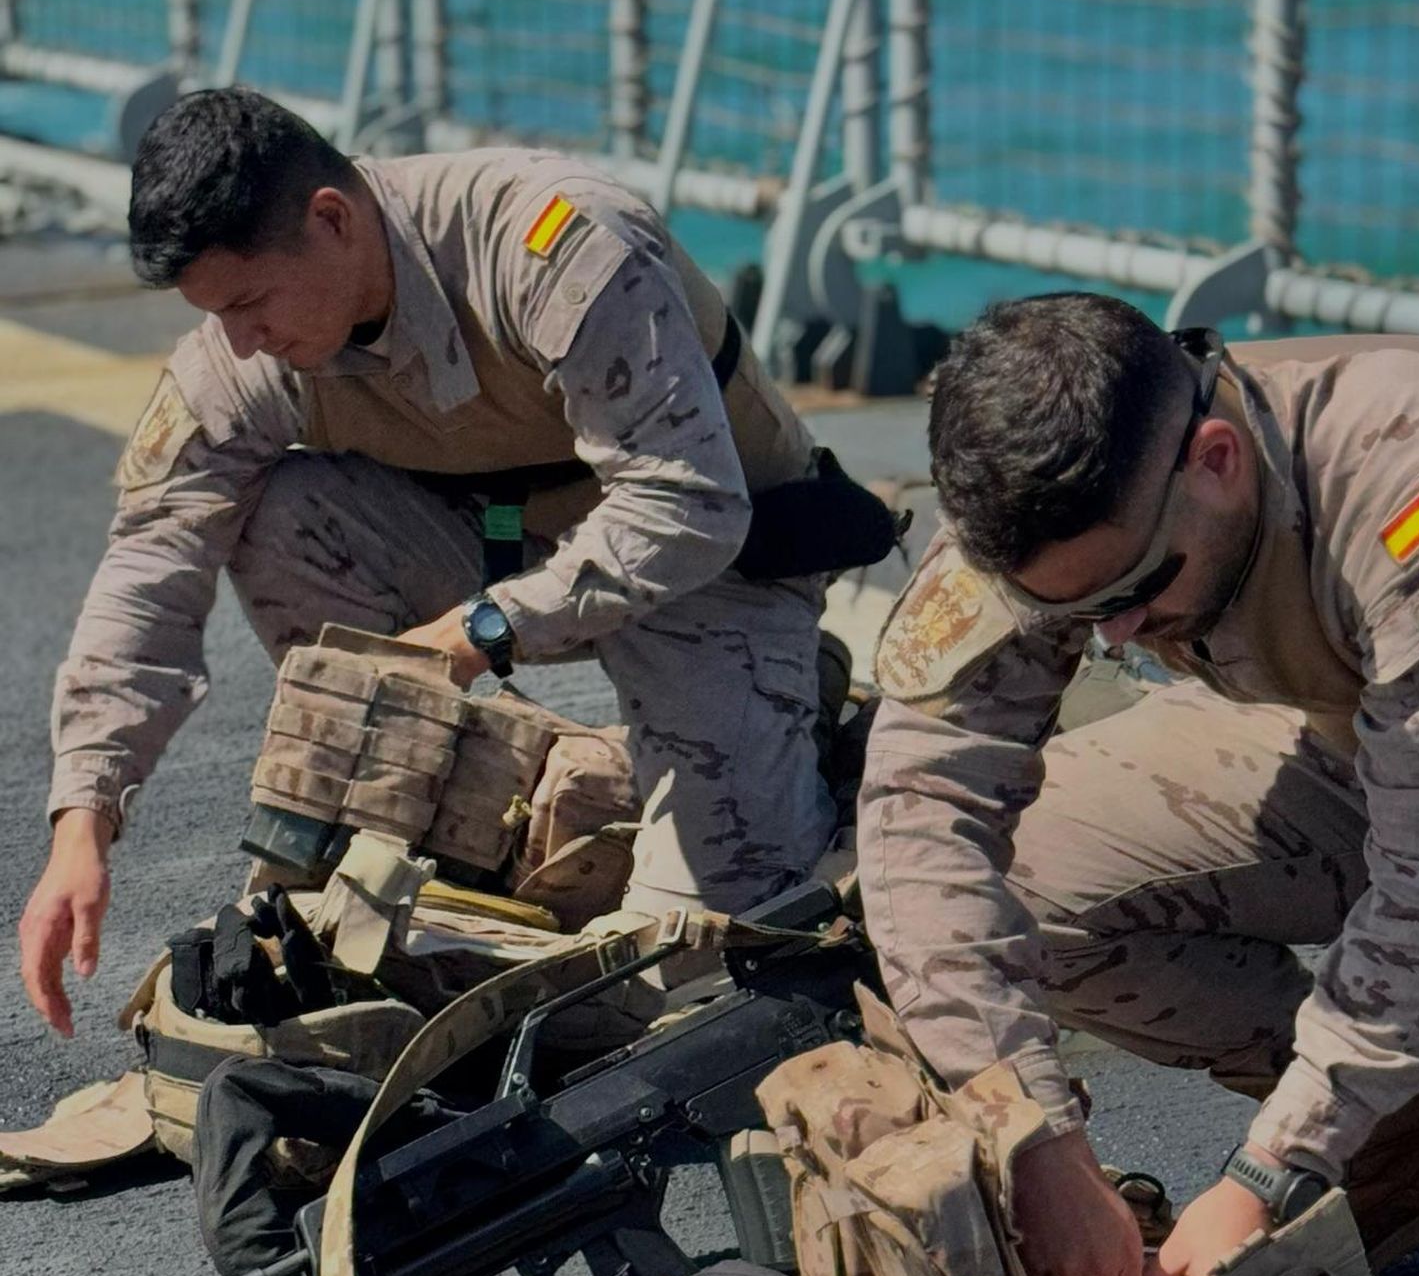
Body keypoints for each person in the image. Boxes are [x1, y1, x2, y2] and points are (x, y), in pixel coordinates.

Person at [857, 291, 1419, 1276]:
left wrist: (1266, 1172)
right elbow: (922, 805)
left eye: (1130, 595)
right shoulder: (1056, 489)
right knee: (1037, 883)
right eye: (1076, 612)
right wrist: (1031, 1134)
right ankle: (1418, 1152)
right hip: (1382, 723)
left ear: (1216, 458)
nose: (1111, 638)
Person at [21, 88, 844, 1036]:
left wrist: (479, 631)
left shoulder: (555, 244)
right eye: (217, 315)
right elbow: (150, 563)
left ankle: (785, 727)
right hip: (504, 546)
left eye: (249, 303)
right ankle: (467, 804)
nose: (242, 342)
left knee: (693, 969)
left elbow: (689, 504)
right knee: (280, 514)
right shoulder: (243, 352)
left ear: (332, 219)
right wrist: (82, 821)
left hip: (713, 567)